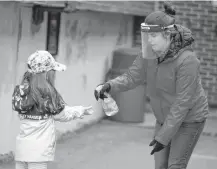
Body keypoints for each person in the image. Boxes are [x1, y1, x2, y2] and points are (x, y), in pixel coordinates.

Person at [94, 2, 209, 169]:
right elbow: (132, 77)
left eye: (154, 36)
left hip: (189, 120)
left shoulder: (188, 61)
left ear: (168, 34)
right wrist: (109, 85)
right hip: (164, 118)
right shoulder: (149, 53)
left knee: (175, 166)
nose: (149, 40)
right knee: (160, 166)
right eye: (147, 35)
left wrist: (163, 137)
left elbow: (183, 103)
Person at [12, 50, 93, 169]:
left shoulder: (21, 91)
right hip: (39, 151)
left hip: (21, 148)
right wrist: (80, 111)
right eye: (52, 71)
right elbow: (61, 115)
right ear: (45, 72)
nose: (53, 74)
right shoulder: (46, 93)